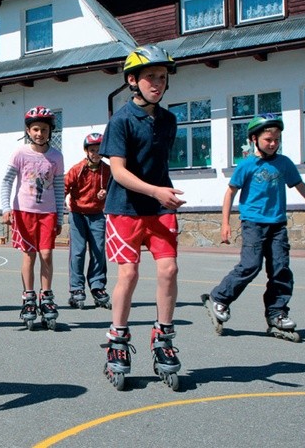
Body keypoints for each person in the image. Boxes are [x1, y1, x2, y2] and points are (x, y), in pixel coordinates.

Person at [99, 45, 185, 390]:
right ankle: (117, 339)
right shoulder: (120, 121)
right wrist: (155, 191)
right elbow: (118, 172)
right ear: (132, 80)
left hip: (161, 208)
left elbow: (158, 163)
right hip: (125, 209)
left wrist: (163, 195)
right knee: (129, 273)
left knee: (170, 269)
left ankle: (163, 337)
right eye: (151, 76)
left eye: (162, 78)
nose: (158, 83)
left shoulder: (169, 120)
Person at [204, 114, 305, 342]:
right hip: (253, 224)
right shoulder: (246, 165)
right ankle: (219, 297)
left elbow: (299, 184)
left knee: (280, 269)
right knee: (250, 265)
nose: (273, 143)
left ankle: (277, 313)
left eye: (277, 139)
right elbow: (230, 193)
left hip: (277, 225)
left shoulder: (283, 163)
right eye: (268, 139)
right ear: (254, 139)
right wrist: (225, 224)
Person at [0, 106, 64, 330]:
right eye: (35, 129)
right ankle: (28, 297)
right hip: (23, 211)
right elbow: (6, 181)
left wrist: (60, 217)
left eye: (44, 129)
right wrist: (5, 208)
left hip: (48, 213)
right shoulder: (20, 153)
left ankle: (46, 296)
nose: (40, 133)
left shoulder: (56, 156)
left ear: (50, 131)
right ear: (28, 130)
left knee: (46, 254)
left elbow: (58, 186)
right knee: (29, 255)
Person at [65, 132, 111, 310]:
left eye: (99, 150)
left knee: (98, 251)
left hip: (97, 215)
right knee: (78, 252)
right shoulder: (78, 169)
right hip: (77, 214)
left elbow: (114, 189)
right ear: (86, 151)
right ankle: (76, 289)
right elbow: (65, 186)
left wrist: (105, 193)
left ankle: (97, 286)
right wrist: (61, 201)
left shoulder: (107, 170)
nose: (96, 153)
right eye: (92, 150)